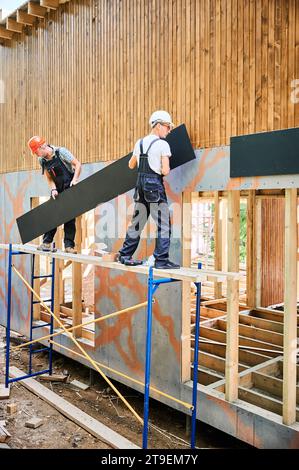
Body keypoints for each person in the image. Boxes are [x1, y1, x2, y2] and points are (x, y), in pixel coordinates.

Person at [118, 110, 180, 269]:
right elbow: (165, 171)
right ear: (158, 125)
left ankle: (125, 255)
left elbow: (131, 164)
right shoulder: (162, 144)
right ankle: (161, 260)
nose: (169, 130)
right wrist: (159, 166)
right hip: (154, 187)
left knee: (137, 223)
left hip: (140, 187)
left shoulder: (139, 143)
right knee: (164, 224)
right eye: (167, 126)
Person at [27, 136, 81, 253]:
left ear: (42, 147)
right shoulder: (42, 160)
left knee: (70, 217)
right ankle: (46, 243)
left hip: (70, 185)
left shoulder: (61, 152)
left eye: (36, 152)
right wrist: (53, 189)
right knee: (52, 214)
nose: (36, 155)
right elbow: (49, 177)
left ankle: (69, 246)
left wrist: (75, 179)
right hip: (57, 188)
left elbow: (77, 164)